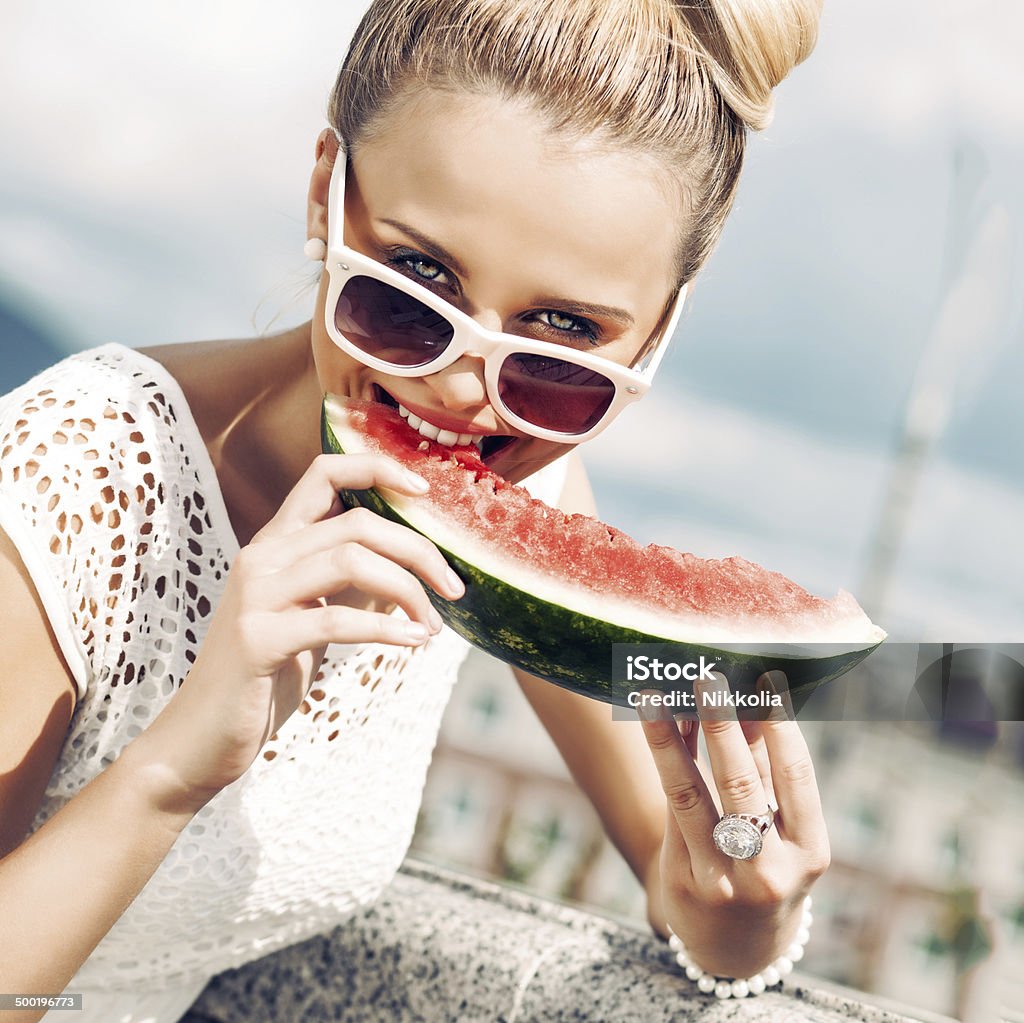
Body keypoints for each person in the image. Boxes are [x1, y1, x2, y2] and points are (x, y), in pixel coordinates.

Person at [0, 0, 829, 1019]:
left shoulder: (529, 483)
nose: (461, 392)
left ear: (657, 331)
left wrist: (742, 913)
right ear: (324, 195)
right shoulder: (78, 472)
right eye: (413, 284)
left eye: (559, 341)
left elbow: (676, 860)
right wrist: (171, 772)